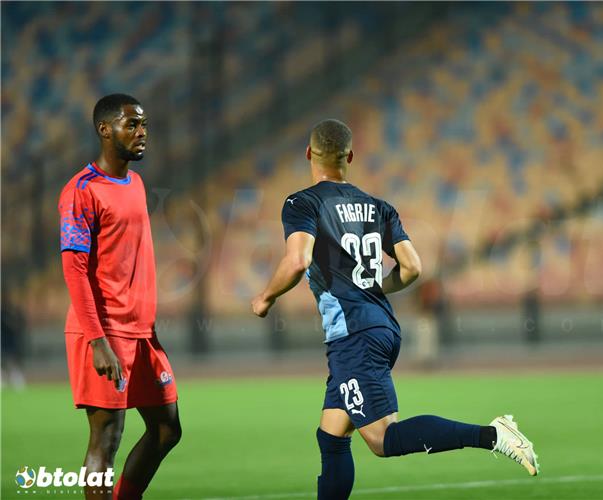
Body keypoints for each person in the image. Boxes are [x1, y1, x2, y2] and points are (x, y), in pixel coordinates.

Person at [251, 119, 539, 499]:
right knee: (332, 435)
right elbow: (412, 267)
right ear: (350, 156)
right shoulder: (378, 207)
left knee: (383, 439)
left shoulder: (302, 203)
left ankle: (492, 435)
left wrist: (265, 297)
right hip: (381, 326)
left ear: (308, 154)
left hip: (354, 335)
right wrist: (375, 286)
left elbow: (298, 260)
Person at [59, 94, 181, 500]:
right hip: (105, 332)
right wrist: (97, 341)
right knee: (107, 438)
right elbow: (74, 271)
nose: (142, 132)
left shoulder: (136, 183)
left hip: (142, 332)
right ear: (105, 130)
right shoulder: (81, 191)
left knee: (167, 429)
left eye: (144, 124)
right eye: (132, 124)